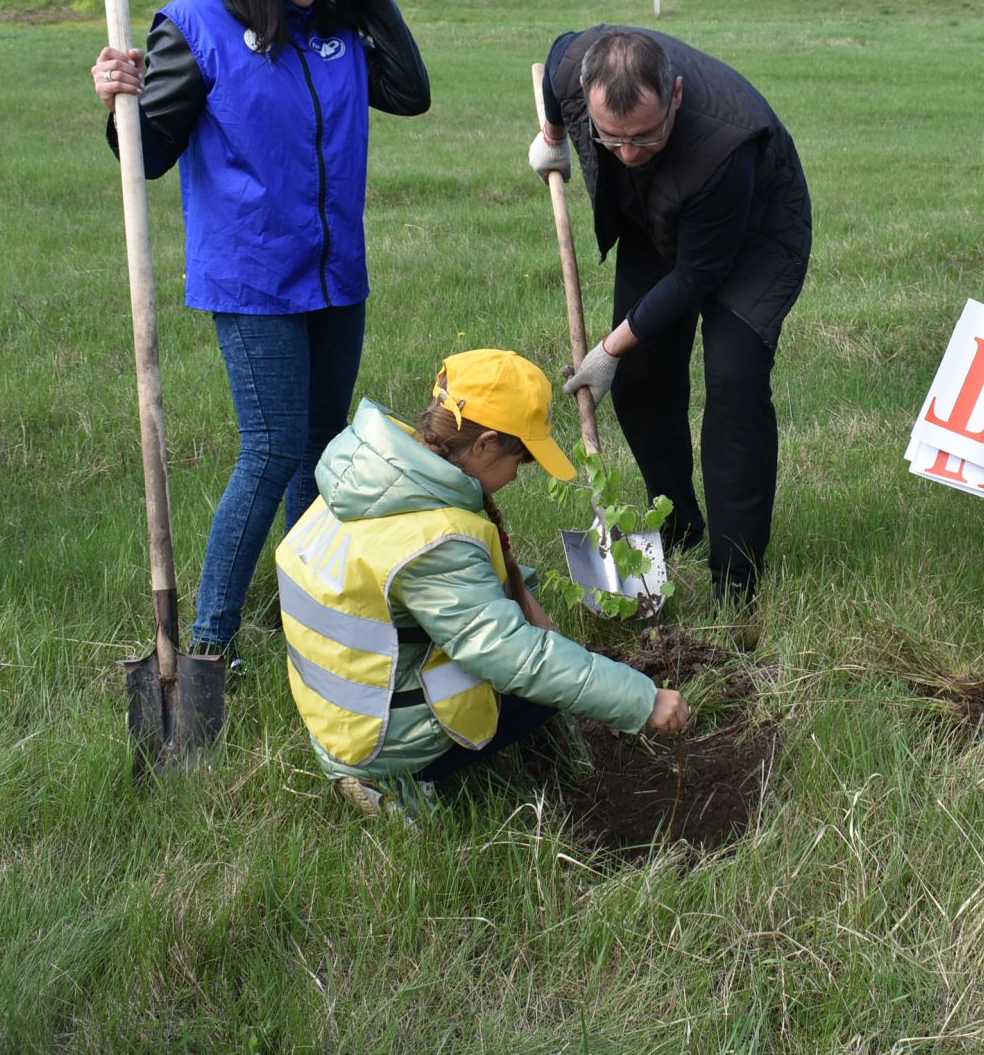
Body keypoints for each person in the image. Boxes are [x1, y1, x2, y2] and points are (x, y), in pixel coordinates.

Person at [88, 0, 430, 662]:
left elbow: (411, 90)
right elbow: (147, 155)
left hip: (337, 277)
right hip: (253, 281)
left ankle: (305, 603)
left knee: (322, 448)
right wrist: (119, 103)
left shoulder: (338, 28)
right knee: (273, 449)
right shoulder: (197, 27)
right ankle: (209, 643)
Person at [275, 348, 691, 819]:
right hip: (377, 739)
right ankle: (396, 786)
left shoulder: (376, 474)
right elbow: (518, 658)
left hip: (338, 710)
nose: (518, 475)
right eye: (523, 459)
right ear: (486, 444)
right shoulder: (436, 539)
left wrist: (524, 595)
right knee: (538, 683)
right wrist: (642, 699)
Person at [529, 27, 810, 606]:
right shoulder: (572, 67)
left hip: (754, 235)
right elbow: (554, 71)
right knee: (639, 382)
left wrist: (608, 348)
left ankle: (736, 580)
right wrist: (552, 137)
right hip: (655, 218)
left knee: (734, 387)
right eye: (613, 139)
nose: (628, 154)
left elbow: (696, 277)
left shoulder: (724, 143)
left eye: (646, 137)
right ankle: (679, 525)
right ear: (588, 91)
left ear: (675, 96)